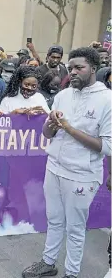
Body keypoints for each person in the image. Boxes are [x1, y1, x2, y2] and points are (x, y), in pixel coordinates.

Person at [22, 47, 111, 278]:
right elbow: (47, 134)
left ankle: (72, 273)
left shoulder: (107, 100)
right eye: (70, 68)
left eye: (79, 68)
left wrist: (70, 129)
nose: (73, 72)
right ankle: (48, 262)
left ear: (93, 68)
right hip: (55, 167)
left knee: (75, 228)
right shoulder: (62, 95)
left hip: (82, 174)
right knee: (54, 219)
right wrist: (51, 124)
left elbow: (107, 146)